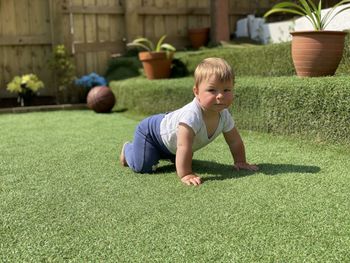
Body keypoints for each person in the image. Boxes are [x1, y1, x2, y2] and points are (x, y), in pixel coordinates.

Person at [120, 57, 258, 186]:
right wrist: (186, 174)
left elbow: (234, 141)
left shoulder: (224, 114)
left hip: (171, 142)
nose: (220, 96)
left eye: (226, 90)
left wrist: (241, 161)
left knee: (181, 157)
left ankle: (165, 155)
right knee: (144, 166)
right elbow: (183, 147)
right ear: (196, 92)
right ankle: (128, 150)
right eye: (212, 90)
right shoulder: (192, 116)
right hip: (151, 134)